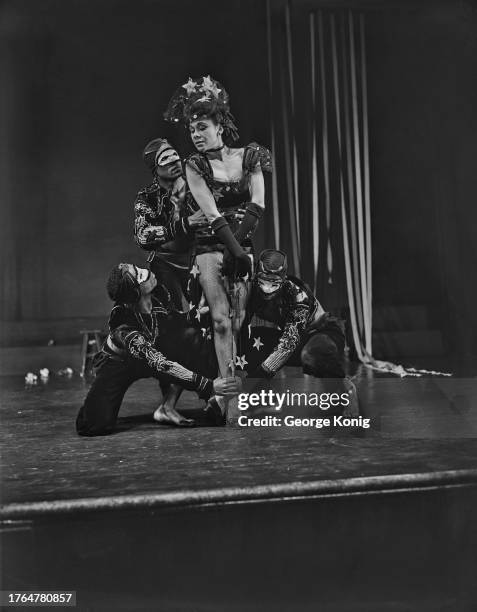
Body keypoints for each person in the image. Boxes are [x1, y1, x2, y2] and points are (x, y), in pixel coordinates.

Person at [164, 75, 272, 382]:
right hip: (211, 247)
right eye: (192, 130)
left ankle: (224, 380)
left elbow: (257, 205)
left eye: (202, 128)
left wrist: (238, 252)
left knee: (238, 321)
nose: (196, 135)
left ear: (219, 127)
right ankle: (228, 397)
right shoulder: (195, 165)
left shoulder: (249, 157)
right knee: (221, 321)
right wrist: (230, 251)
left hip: (240, 247)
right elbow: (212, 215)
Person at [75, 263, 241, 436]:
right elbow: (160, 364)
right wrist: (209, 386)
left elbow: (172, 321)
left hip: (155, 351)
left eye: (137, 267)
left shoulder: (158, 293)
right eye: (140, 275)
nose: (146, 271)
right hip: (121, 364)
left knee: (191, 336)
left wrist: (198, 314)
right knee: (93, 425)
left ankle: (175, 407)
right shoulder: (124, 326)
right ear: (136, 293)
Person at [242, 249, 359, 416]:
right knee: (250, 340)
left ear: (283, 280)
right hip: (294, 336)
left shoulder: (297, 295)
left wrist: (248, 384)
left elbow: (288, 345)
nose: (267, 289)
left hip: (322, 333)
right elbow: (240, 325)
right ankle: (264, 399)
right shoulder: (250, 289)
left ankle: (345, 389)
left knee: (312, 353)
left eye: (274, 283)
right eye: (263, 281)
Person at [134, 137, 208, 312]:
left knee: (208, 314)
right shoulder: (147, 197)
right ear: (155, 168)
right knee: (174, 318)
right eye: (166, 159)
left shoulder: (198, 184)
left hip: (199, 258)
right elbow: (142, 236)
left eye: (175, 155)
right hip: (165, 264)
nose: (174, 161)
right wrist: (185, 224)